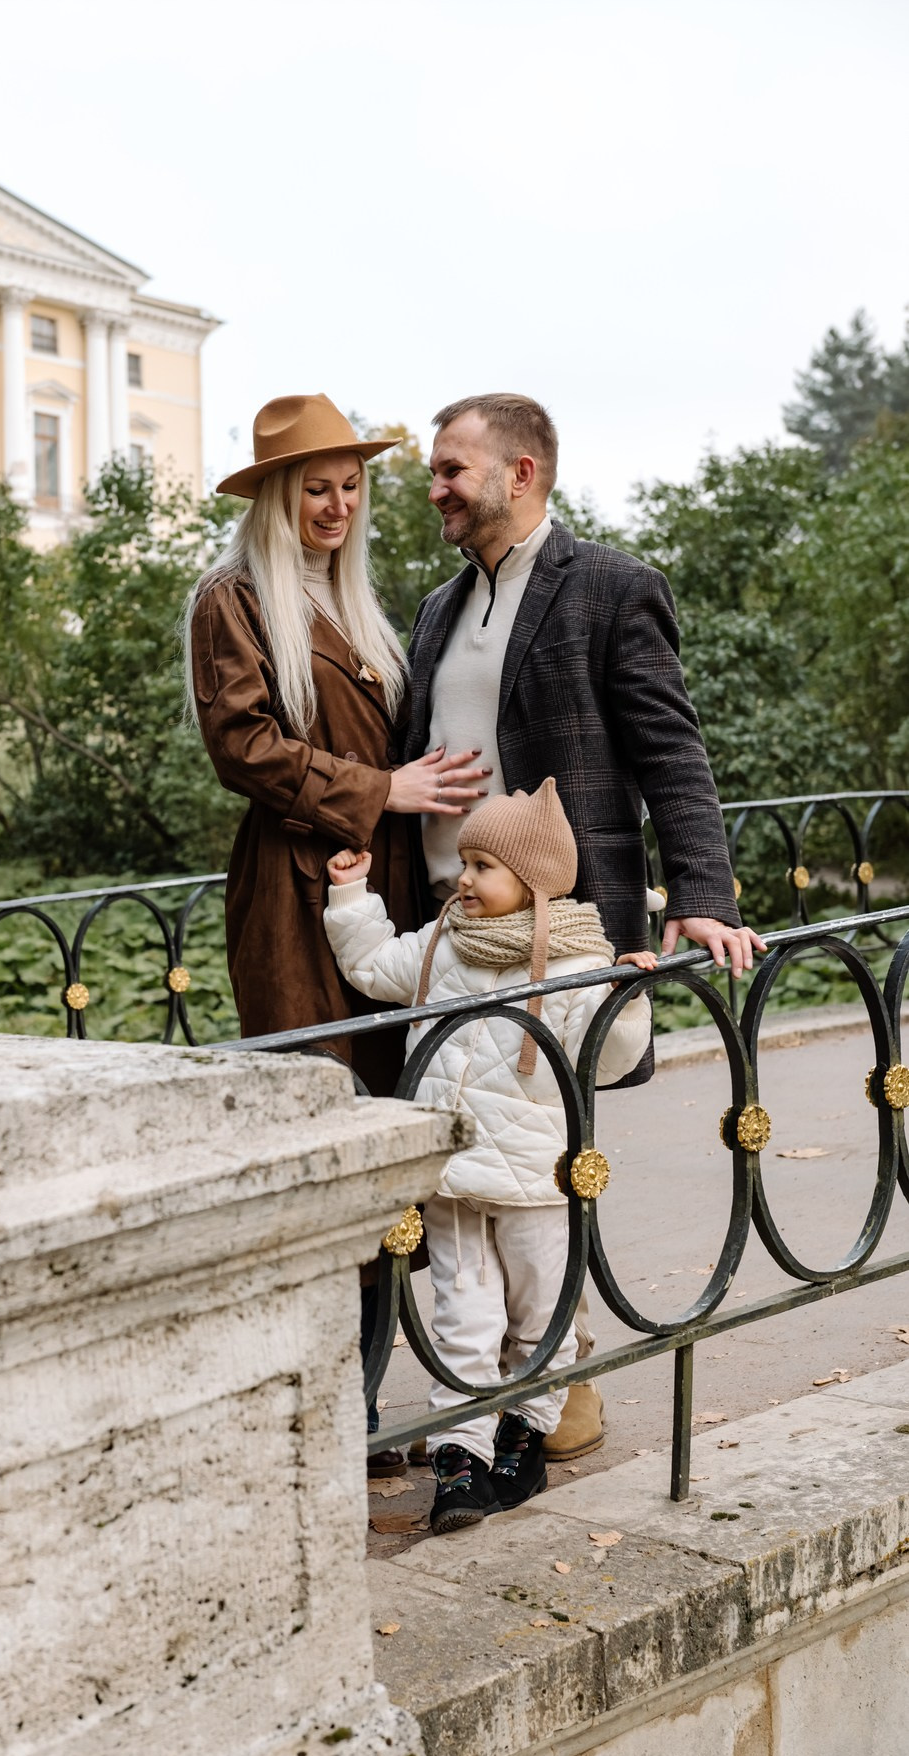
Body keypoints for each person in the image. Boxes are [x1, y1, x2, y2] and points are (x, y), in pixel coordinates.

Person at [407, 392, 767, 1462]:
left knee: (546, 1171)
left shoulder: (610, 587)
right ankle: (506, 1391)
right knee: (471, 1175)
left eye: (451, 469)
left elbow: (671, 751)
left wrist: (703, 888)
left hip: (556, 940)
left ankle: (558, 1387)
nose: (434, 487)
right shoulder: (436, 608)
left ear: (520, 474)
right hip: (448, 936)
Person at [186, 393, 488, 1471]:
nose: (337, 503)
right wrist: (381, 789)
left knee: (391, 1143)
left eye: (352, 485)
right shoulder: (232, 599)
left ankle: (360, 1403)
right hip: (294, 897)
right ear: (275, 495)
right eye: (316, 485)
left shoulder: (358, 604)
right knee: (324, 1138)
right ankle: (325, 1418)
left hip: (382, 893)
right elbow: (246, 749)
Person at [325, 780, 654, 1532]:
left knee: (541, 1317)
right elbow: (375, 965)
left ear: (533, 882)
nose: (464, 879)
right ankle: (461, 1455)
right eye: (464, 862)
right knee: (463, 1321)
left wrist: (628, 998)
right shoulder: (444, 943)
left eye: (483, 867)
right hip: (450, 1179)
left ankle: (524, 1432)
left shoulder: (575, 964)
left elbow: (604, 1060)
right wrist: (351, 899)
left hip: (535, 1182)